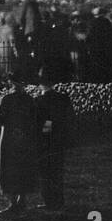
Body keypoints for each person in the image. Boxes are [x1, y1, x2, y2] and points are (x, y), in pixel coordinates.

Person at [0, 74, 38, 214]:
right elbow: (34, 118)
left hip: (9, 137)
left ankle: (13, 202)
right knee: (23, 166)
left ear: (11, 83)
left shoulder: (6, 99)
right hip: (25, 137)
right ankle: (22, 199)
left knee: (9, 167)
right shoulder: (29, 100)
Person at [31, 65, 72, 211]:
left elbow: (45, 121)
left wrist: (44, 134)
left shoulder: (40, 100)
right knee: (56, 170)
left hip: (45, 140)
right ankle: (58, 200)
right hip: (59, 139)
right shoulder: (62, 98)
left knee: (45, 171)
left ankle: (49, 201)